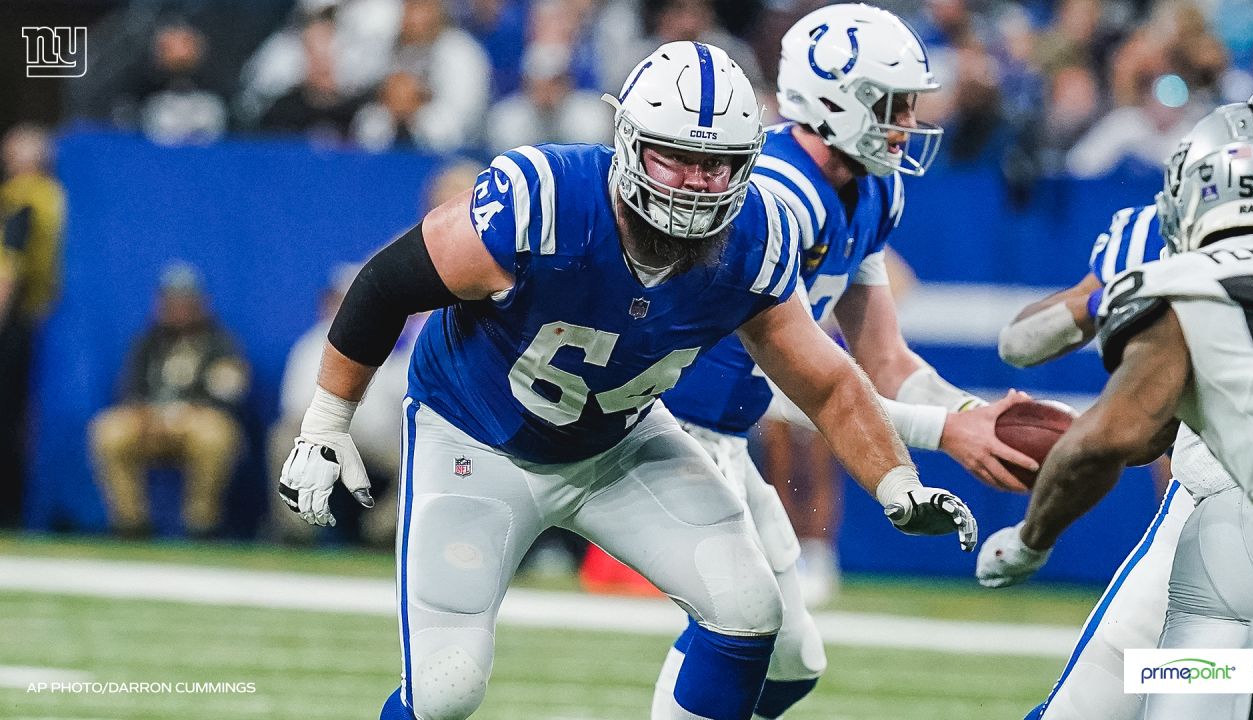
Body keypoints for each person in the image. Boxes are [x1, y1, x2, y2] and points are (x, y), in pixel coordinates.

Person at [278, 42, 978, 720]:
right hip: (476, 434)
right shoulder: (544, 198)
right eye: (676, 157)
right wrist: (325, 424)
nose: (696, 181)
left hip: (619, 442)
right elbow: (385, 284)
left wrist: (897, 482)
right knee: (445, 691)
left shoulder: (756, 234)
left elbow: (826, 381)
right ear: (629, 143)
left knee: (748, 609)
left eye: (718, 164)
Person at [653, 8, 1038, 718]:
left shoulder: (871, 187)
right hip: (665, 424)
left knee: (794, 663)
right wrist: (945, 434)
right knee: (735, 624)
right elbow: (795, 382)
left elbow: (882, 358)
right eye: (890, 106)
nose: (906, 122)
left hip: (724, 437)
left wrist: (969, 415)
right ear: (832, 100)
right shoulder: (773, 195)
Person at [974, 102, 1253, 720]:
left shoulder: (1172, 264)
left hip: (1223, 524)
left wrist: (1030, 539)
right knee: (1174, 675)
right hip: (1219, 519)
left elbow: (1035, 359)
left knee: (1176, 677)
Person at [90, 262, 250, 538]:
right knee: (108, 430)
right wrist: (144, 412)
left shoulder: (220, 341)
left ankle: (201, 524)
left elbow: (231, 391)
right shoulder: (147, 341)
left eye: (185, 300)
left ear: (201, 302)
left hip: (195, 423)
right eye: (171, 300)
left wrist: (191, 412)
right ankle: (130, 522)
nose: (178, 308)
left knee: (216, 434)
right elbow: (130, 390)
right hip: (150, 423)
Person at [269, 263, 410, 545]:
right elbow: (295, 409)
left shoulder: (394, 344)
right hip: (323, 436)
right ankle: (296, 531)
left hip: (378, 441)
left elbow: (408, 403)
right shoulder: (311, 346)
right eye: (337, 299)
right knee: (282, 438)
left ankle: (383, 534)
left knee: (418, 458)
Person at [0, 124, 65, 529]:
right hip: (36, 318)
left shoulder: (24, 197)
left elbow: (10, 266)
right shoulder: (55, 196)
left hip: (18, 321)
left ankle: (8, 508)